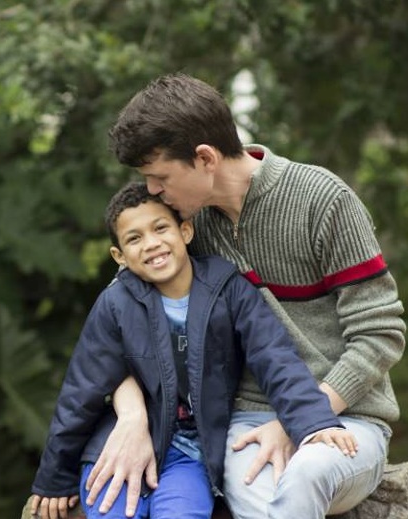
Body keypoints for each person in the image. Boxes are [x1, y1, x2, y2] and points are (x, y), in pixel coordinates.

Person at [86, 73, 406, 519]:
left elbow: (380, 333)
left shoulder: (322, 200)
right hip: (243, 426)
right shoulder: (184, 228)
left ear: (204, 158)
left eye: (159, 177)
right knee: (262, 498)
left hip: (344, 419)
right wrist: (134, 417)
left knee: (307, 475)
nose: (154, 191)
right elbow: (113, 326)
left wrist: (301, 417)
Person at [29, 181, 357, 519]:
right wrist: (54, 479)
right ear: (119, 257)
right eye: (134, 238)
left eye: (160, 228)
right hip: (117, 446)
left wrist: (314, 422)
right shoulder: (116, 304)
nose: (152, 244)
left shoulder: (229, 290)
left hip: (190, 452)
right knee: (111, 512)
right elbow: (81, 391)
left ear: (185, 230)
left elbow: (275, 357)